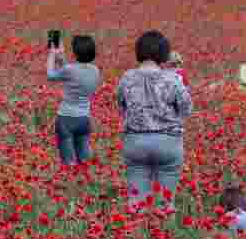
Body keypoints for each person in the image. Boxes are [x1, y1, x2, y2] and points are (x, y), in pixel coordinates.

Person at [116, 31, 192, 213]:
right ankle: (164, 233)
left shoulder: (127, 78)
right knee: (165, 203)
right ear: (164, 54)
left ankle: (136, 235)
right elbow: (186, 109)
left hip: (135, 142)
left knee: (136, 203)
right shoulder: (172, 79)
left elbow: (121, 106)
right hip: (168, 142)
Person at [46, 34, 101, 166]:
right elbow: (71, 73)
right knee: (83, 160)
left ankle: (70, 184)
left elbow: (50, 75)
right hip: (83, 119)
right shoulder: (95, 70)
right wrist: (62, 58)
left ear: (75, 52)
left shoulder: (70, 70)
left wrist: (52, 55)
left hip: (66, 119)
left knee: (68, 162)